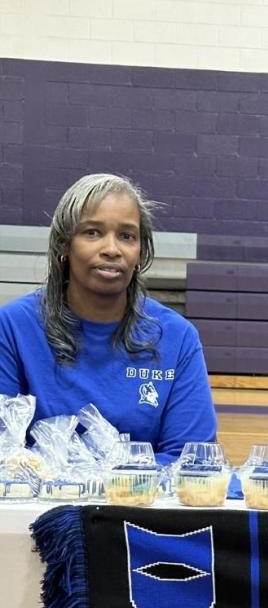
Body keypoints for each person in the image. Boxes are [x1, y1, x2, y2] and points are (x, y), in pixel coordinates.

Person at [0, 173, 217, 463]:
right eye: (92, 232)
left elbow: (191, 458)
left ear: (140, 251)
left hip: (138, 506)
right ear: (65, 245)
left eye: (127, 236)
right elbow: (5, 452)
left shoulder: (177, 338)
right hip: (38, 506)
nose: (112, 249)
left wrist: (116, 488)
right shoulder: (13, 326)